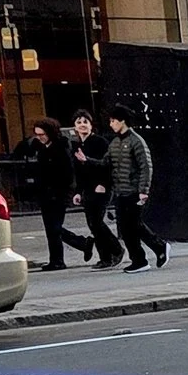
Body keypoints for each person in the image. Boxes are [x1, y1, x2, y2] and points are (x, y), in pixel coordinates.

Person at [12, 118, 92, 270]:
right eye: (37, 134)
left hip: (57, 193)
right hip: (46, 193)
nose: (39, 137)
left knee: (54, 227)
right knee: (51, 228)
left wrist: (64, 190)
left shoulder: (60, 148)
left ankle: (75, 247)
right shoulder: (41, 148)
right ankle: (60, 256)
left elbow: (67, 173)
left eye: (42, 134)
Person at [102, 104, 167, 271]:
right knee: (126, 227)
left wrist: (143, 191)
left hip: (133, 191)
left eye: (113, 121)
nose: (111, 124)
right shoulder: (115, 142)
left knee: (133, 225)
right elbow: (106, 163)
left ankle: (145, 256)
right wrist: (86, 160)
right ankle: (148, 254)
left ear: (122, 121)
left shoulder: (136, 141)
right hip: (120, 191)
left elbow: (146, 166)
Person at [69, 110, 119, 268]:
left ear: (91, 125)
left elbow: (107, 165)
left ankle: (116, 250)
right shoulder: (76, 145)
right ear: (75, 127)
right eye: (79, 122)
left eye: (85, 121)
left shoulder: (100, 142)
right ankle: (105, 257)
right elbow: (79, 171)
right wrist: (77, 192)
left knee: (97, 222)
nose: (82, 125)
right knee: (92, 224)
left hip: (101, 187)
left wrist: (103, 184)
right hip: (88, 189)